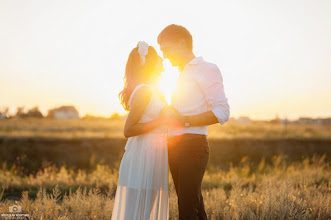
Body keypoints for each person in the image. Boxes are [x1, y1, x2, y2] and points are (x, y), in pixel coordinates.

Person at [158, 24, 230, 220]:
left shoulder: (207, 69)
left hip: (193, 145)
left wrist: (184, 121)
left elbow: (222, 111)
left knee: (187, 207)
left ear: (181, 43)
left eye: (166, 49)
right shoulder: (179, 74)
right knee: (193, 205)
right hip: (173, 145)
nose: (164, 55)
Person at [111, 41, 171, 220]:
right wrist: (161, 120)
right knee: (136, 212)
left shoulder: (153, 90)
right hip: (143, 154)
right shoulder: (144, 91)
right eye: (159, 59)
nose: (163, 62)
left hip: (154, 152)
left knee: (146, 211)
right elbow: (128, 129)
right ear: (151, 64)